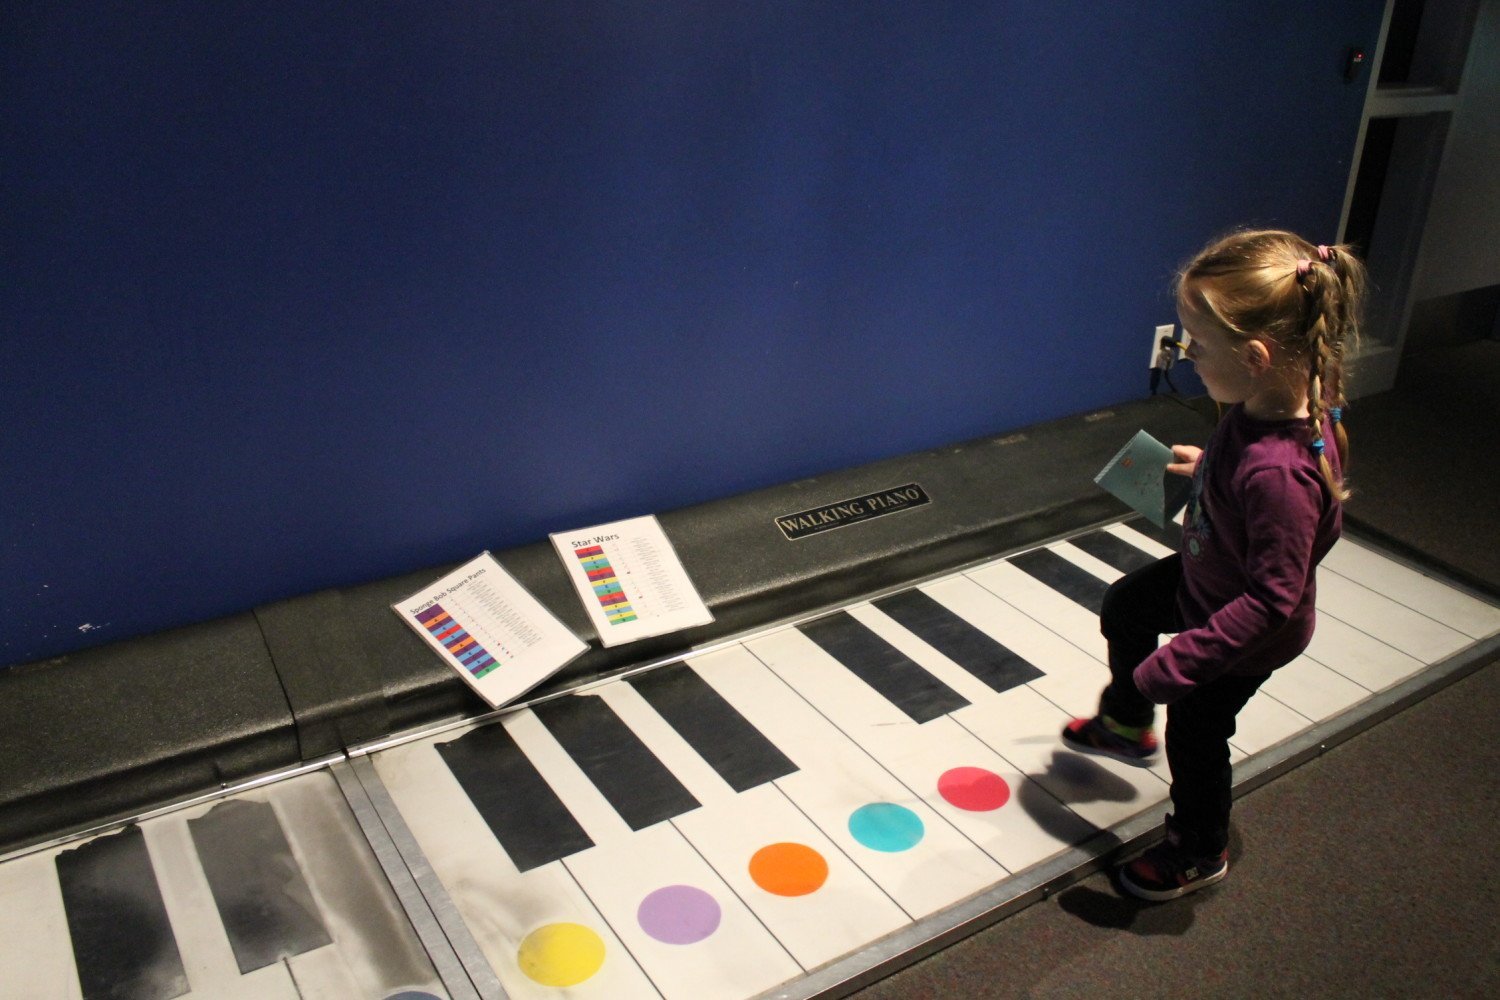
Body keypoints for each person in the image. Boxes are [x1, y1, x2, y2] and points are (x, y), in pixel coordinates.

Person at [1061, 229, 1367, 901]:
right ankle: (1124, 719)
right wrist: (1212, 472)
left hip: (1246, 629)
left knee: (1197, 732)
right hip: (1208, 576)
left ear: (1255, 356)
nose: (1189, 357)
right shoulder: (1265, 406)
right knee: (1127, 605)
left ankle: (1199, 849)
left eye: (1197, 345)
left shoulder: (1278, 475)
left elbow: (1273, 599)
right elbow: (1304, 512)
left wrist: (1185, 661)